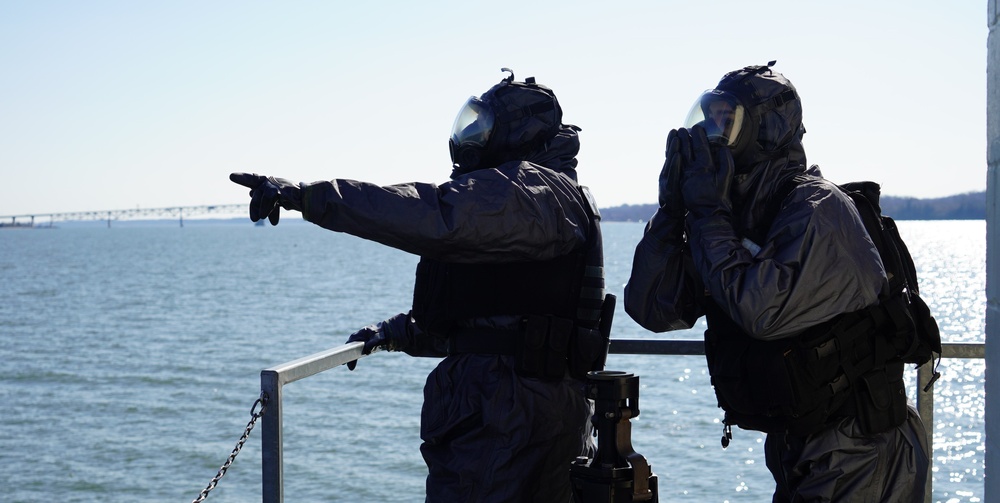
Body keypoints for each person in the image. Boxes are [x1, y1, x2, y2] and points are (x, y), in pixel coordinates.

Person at [231, 69, 610, 503]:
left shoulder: (537, 192)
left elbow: (435, 217)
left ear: (517, 135)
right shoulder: (521, 195)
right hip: (501, 408)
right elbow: (492, 310)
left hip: (513, 417)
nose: (470, 137)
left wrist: (306, 196)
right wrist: (397, 331)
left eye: (483, 127)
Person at [623, 61, 930, 502]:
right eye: (709, 119)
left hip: (861, 447)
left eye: (728, 121)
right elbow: (651, 307)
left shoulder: (818, 208)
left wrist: (709, 214)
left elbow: (761, 310)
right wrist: (672, 213)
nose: (713, 133)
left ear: (764, 131)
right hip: (802, 444)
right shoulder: (733, 219)